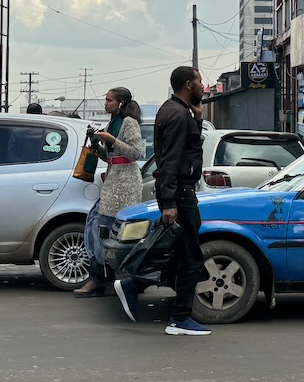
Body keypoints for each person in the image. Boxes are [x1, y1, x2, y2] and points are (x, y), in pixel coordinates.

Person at [115, 66, 210, 335]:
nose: (203, 86)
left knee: (177, 252)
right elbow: (170, 161)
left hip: (177, 191)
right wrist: (169, 202)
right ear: (188, 85)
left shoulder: (174, 110)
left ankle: (136, 285)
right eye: (199, 81)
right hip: (179, 192)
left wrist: (199, 119)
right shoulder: (178, 115)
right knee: (191, 257)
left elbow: (185, 148)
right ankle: (179, 319)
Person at [73, 87, 145, 297]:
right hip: (114, 179)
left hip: (125, 183)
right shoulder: (112, 122)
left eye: (109, 100)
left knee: (107, 229)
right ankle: (103, 278)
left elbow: (136, 152)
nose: (105, 103)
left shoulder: (128, 122)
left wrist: (111, 140)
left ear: (120, 103)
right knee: (98, 226)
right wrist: (97, 144)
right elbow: (111, 157)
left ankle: (101, 279)